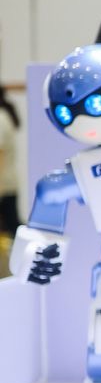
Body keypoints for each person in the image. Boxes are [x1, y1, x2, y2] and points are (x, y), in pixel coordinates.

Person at [0, 85, 20, 277]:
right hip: (7, 184)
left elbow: (0, 155)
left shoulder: (0, 118)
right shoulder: (5, 116)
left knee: (11, 229)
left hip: (3, 185)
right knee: (11, 227)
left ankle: (15, 270)